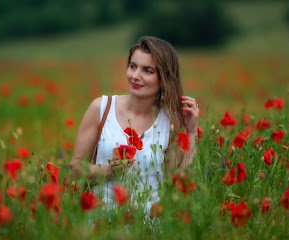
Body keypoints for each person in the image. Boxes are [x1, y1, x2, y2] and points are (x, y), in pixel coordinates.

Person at [70, 36, 199, 211]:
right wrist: (109, 170)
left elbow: (177, 179)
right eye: (132, 66)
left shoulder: (170, 120)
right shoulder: (101, 108)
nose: (135, 76)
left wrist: (191, 132)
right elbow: (76, 168)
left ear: (164, 78)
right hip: (102, 220)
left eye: (147, 70)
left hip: (150, 224)